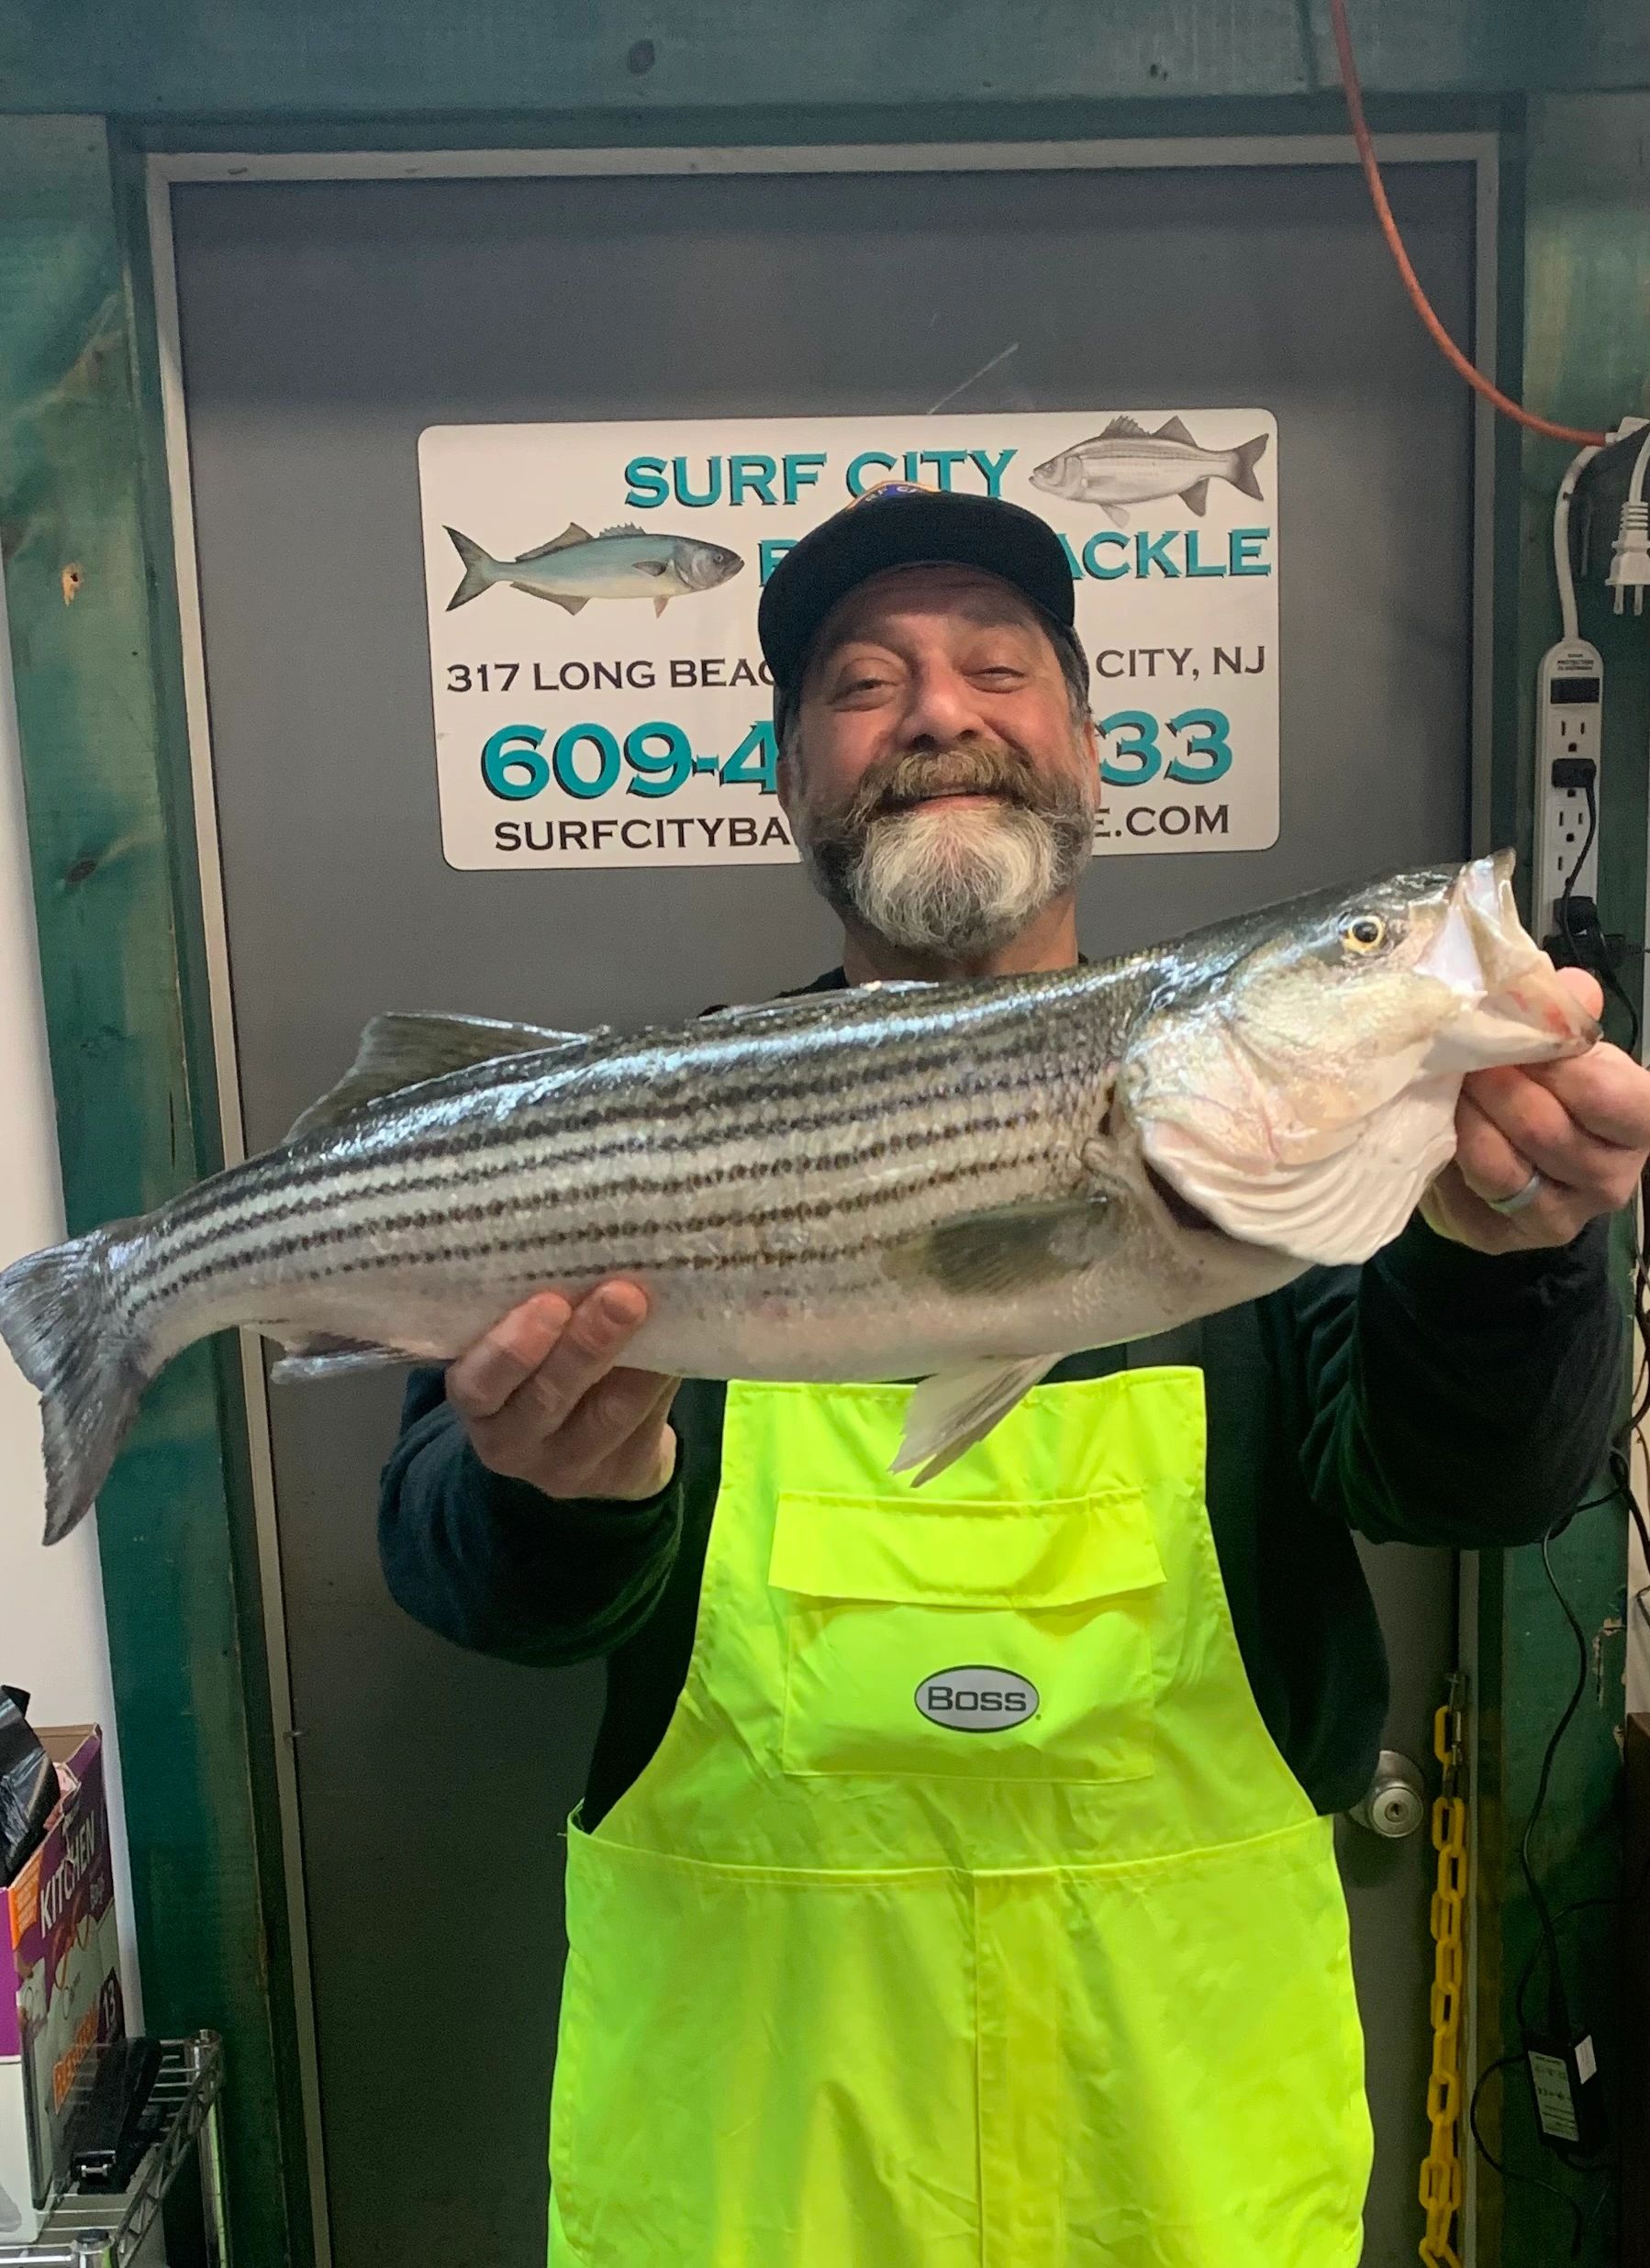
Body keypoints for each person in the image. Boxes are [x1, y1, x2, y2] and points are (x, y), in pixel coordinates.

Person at [380, 486, 1650, 2266]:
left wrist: (1514, 1256)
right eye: (860, 683)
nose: (935, 711)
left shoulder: (1302, 1188)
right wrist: (556, 1498)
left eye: (997, 666)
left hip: (1180, 2168)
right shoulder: (644, 1137)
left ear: (1088, 749)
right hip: (748, 2170)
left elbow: (1471, 1489)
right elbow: (465, 1582)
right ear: (788, 779)